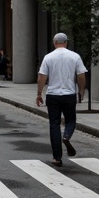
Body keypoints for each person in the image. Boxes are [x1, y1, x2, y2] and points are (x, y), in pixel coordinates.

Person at [36, 32, 87, 167]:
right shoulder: (75, 56)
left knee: (54, 124)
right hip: (69, 94)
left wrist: (39, 93)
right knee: (71, 120)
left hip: (53, 94)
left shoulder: (48, 57)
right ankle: (67, 136)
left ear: (54, 43)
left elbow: (42, 77)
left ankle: (57, 157)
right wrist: (81, 91)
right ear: (66, 42)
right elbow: (81, 75)